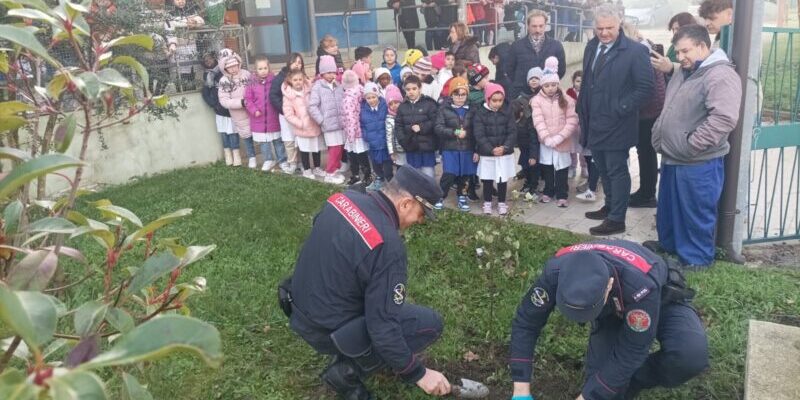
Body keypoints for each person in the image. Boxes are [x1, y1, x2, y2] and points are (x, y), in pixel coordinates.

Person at [284, 165, 451, 400]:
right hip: (326, 330)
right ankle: (346, 372)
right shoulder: (388, 247)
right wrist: (418, 373)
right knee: (429, 323)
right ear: (405, 204)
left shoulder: (344, 199)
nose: (420, 221)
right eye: (421, 214)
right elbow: (383, 327)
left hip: (298, 306)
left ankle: (352, 349)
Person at [509, 240, 709, 400]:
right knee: (605, 390)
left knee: (689, 356)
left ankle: (635, 379)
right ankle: (618, 380)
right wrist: (520, 391)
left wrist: (588, 395)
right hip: (611, 312)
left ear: (609, 285)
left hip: (660, 301)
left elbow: (634, 348)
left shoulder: (640, 284)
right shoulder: (555, 271)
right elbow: (526, 323)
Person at [648, 24, 742, 268]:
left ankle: (697, 261)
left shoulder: (720, 75)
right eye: (677, 52)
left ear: (703, 46)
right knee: (670, 210)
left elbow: (724, 119)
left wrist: (691, 145)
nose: (680, 58)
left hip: (698, 161)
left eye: (684, 51)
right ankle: (669, 248)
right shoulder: (687, 69)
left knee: (695, 213)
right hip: (673, 156)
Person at [578, 3, 654, 236]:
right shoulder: (592, 46)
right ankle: (610, 206)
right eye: (599, 28)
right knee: (601, 165)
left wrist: (619, 108)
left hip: (617, 123)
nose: (604, 33)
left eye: (609, 28)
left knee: (616, 170)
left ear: (619, 24)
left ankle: (616, 219)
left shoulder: (635, 51)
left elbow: (645, 89)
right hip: (594, 121)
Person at [624, 24, 666, 210]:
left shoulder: (640, 53)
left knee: (646, 152)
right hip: (652, 108)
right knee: (646, 152)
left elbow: (644, 86)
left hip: (648, 110)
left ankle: (647, 194)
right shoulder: (647, 48)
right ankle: (646, 191)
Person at [531, 57, 578, 208]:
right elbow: (538, 120)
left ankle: (562, 193)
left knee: (562, 168)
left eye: (553, 85)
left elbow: (572, 120)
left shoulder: (567, 99)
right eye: (547, 85)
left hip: (562, 141)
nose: (551, 88)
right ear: (542, 86)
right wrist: (546, 137)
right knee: (548, 167)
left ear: (558, 84)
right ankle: (548, 191)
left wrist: (559, 137)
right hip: (546, 142)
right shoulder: (536, 100)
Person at [434, 77, 478, 212]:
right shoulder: (444, 109)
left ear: (467, 94)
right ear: (451, 94)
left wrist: (477, 150)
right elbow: (438, 127)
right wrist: (455, 132)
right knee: (449, 174)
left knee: (465, 175)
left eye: (463, 94)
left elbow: (478, 130)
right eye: (456, 94)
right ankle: (440, 196)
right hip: (450, 148)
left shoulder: (473, 109)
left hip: (467, 148)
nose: (459, 97)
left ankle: (462, 196)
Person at [473, 82, 516, 216]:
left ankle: (502, 202)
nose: (497, 103)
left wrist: (505, 147)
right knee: (487, 179)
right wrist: (491, 149)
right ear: (488, 99)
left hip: (503, 153)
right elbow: (479, 134)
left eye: (500, 100)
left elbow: (512, 132)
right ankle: (487, 202)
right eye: (494, 100)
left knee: (502, 178)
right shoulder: (480, 113)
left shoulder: (507, 112)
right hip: (488, 154)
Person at [505, 9, 566, 99]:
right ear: (528, 26)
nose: (538, 30)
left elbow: (561, 70)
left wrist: (547, 83)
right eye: (534, 26)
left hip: (547, 97)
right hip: (521, 96)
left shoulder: (556, 46)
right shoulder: (516, 46)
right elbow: (509, 70)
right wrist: (523, 84)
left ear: (545, 25)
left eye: (541, 26)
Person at [245, 55, 288, 173]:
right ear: (255, 70)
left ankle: (282, 160)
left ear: (268, 68)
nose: (263, 71)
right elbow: (247, 99)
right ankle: (268, 159)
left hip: (273, 117)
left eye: (265, 68)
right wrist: (254, 110)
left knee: (278, 141)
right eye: (260, 69)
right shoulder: (251, 83)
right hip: (258, 119)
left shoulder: (274, 80)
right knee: (264, 142)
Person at [310, 56, 347, 184]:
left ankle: (335, 170)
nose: (332, 75)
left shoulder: (338, 85)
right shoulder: (317, 87)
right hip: (329, 125)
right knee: (334, 149)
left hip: (340, 124)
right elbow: (312, 106)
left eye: (333, 72)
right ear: (322, 73)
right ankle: (329, 173)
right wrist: (322, 120)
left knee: (340, 149)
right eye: (328, 72)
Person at [282, 70, 324, 179]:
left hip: (313, 125)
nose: (298, 82)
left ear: (303, 80)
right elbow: (288, 114)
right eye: (295, 80)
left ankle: (317, 167)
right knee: (305, 150)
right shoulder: (289, 96)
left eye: (300, 79)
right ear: (290, 81)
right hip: (302, 129)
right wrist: (300, 124)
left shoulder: (310, 90)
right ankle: (307, 170)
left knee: (316, 148)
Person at [395, 75, 440, 178]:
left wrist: (422, 127)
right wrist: (403, 141)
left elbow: (436, 121)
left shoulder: (429, 104)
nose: (411, 92)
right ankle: (417, 193)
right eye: (408, 89)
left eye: (414, 89)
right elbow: (398, 126)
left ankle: (429, 194)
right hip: (411, 147)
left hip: (427, 147)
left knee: (428, 174)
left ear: (420, 88)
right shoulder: (402, 107)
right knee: (414, 175)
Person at [218, 50, 256, 169]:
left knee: (258, 133)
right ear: (224, 68)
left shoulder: (246, 74)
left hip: (253, 110)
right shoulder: (224, 81)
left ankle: (267, 157)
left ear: (239, 63)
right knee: (247, 136)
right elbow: (224, 100)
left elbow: (255, 88)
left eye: (235, 65)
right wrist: (240, 102)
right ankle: (252, 157)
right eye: (230, 67)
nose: (234, 69)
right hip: (239, 114)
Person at [201, 50, 237, 167]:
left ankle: (236, 155)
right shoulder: (207, 75)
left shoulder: (223, 71)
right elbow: (206, 92)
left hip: (230, 109)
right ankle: (228, 157)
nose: (209, 62)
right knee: (224, 133)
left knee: (233, 132)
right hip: (219, 110)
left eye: (210, 59)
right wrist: (213, 103)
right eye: (206, 61)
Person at [270, 53, 305, 174]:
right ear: (289, 63)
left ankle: (301, 162)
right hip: (285, 116)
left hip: (300, 116)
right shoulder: (280, 78)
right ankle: (292, 163)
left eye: (299, 62)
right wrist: (285, 110)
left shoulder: (303, 77)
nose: (297, 64)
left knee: (300, 139)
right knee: (289, 140)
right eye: (294, 62)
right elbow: (273, 96)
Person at [512, 67, 543, 197]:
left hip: (537, 133)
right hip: (524, 136)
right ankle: (528, 183)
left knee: (535, 162)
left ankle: (534, 185)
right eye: (531, 78)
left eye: (536, 78)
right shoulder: (521, 97)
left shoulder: (543, 95)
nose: (534, 81)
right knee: (526, 162)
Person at [340, 70, 372, 187]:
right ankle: (366, 176)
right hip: (360, 129)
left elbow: (350, 117)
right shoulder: (360, 90)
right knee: (362, 154)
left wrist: (351, 135)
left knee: (354, 154)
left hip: (353, 132)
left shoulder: (348, 97)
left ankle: (358, 175)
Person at [164, 0, 204, 91]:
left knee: (192, 73)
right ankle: (182, 93)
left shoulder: (191, 10)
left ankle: (192, 90)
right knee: (180, 75)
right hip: (178, 48)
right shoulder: (169, 14)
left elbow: (201, 20)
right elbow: (169, 28)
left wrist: (195, 22)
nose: (181, 1)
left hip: (191, 46)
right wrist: (186, 23)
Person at [362, 82, 393, 191]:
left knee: (387, 163)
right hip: (372, 142)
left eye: (373, 97)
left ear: (378, 96)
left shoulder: (385, 106)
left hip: (384, 142)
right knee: (375, 163)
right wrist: (366, 136)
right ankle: (379, 178)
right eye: (368, 98)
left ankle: (390, 182)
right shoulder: (364, 110)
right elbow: (362, 125)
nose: (371, 100)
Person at [385, 85, 406, 167]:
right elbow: (389, 136)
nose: (394, 105)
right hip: (398, 150)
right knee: (401, 168)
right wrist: (392, 152)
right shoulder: (389, 118)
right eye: (391, 104)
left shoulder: (406, 114)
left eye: (396, 102)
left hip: (409, 147)